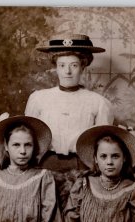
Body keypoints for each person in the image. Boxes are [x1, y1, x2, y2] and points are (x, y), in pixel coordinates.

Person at [25, 33, 114, 171]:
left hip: (82, 165)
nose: (67, 71)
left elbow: (104, 145)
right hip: (45, 165)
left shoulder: (98, 102)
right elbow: (27, 137)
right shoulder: (38, 99)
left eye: (74, 65)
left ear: (83, 67)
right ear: (56, 67)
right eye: (62, 65)